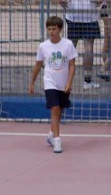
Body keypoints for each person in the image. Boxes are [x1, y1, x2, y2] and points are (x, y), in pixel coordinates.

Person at [51, 0, 108, 86]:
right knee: (88, 47)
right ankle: (87, 80)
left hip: (73, 14)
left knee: (70, 45)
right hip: (89, 14)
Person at [29, 16, 77, 154]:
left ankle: (51, 134)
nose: (51, 32)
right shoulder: (43, 46)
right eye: (49, 29)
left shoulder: (68, 45)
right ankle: (57, 140)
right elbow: (38, 65)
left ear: (60, 29)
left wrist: (69, 82)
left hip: (63, 83)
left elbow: (72, 65)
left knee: (60, 110)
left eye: (54, 29)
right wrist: (32, 82)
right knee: (54, 109)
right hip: (50, 82)